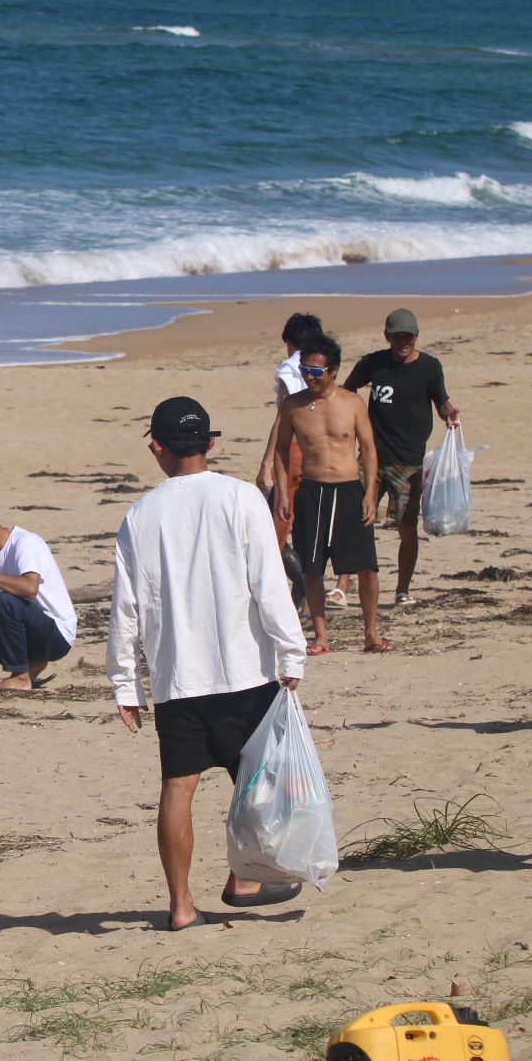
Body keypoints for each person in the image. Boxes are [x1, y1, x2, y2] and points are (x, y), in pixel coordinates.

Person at [108, 396, 310, 931]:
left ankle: (180, 906)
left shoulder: (140, 516)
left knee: (179, 785)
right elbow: (271, 584)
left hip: (179, 678)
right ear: (212, 444)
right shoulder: (242, 498)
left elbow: (125, 609)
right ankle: (246, 877)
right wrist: (291, 651)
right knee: (258, 778)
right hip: (247, 669)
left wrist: (126, 684)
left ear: (157, 447)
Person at [272, 334, 387, 654]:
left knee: (367, 566)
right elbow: (281, 451)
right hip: (312, 491)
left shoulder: (352, 403)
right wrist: (282, 493)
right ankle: (321, 637)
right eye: (305, 370)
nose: (309, 376)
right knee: (312, 567)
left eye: (316, 370)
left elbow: (369, 448)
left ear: (333, 370)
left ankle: (371, 633)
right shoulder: (294, 406)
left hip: (350, 490)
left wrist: (370, 493)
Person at [342, 308, 460, 606]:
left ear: (416, 336)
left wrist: (451, 416)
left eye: (408, 336)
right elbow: (347, 390)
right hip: (371, 456)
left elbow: (441, 401)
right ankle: (342, 585)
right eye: (397, 337)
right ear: (387, 337)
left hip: (408, 462)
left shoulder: (430, 367)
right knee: (353, 519)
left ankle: (402, 589)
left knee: (406, 527)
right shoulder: (373, 363)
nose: (402, 342)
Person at [0, 503, 77, 693]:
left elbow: (29, 588)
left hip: (57, 635)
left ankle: (20, 677)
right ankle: (32, 663)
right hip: (30, 636)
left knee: (7, 600)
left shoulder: (25, 542)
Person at [257, 312, 324, 550]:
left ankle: (301, 587)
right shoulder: (323, 366)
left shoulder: (290, 367)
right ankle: (304, 586)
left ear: (290, 341)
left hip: (293, 451)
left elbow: (282, 419)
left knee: (275, 529)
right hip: (319, 451)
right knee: (308, 526)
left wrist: (266, 464)